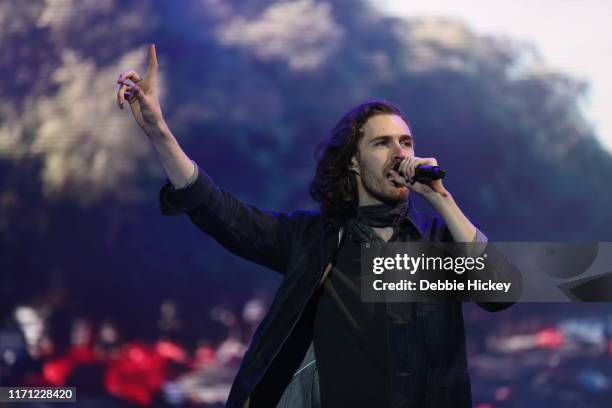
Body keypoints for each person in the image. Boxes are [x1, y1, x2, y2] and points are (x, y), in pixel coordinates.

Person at [116, 44, 516, 408]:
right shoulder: (314, 240)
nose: (400, 153)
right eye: (383, 143)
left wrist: (442, 199)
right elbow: (222, 212)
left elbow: (502, 292)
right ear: (354, 162)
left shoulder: (437, 241)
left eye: (406, 142)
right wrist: (159, 132)